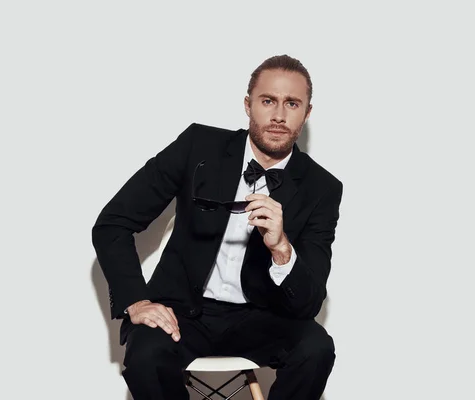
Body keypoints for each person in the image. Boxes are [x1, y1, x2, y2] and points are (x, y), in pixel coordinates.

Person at [92, 54, 343, 400]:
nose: (279, 116)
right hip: (182, 314)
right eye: (268, 101)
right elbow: (113, 223)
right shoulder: (198, 146)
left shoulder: (322, 187)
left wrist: (282, 249)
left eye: (292, 103)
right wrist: (136, 300)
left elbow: (309, 303)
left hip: (261, 318)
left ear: (308, 113)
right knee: (146, 355)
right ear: (248, 105)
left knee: (316, 349)